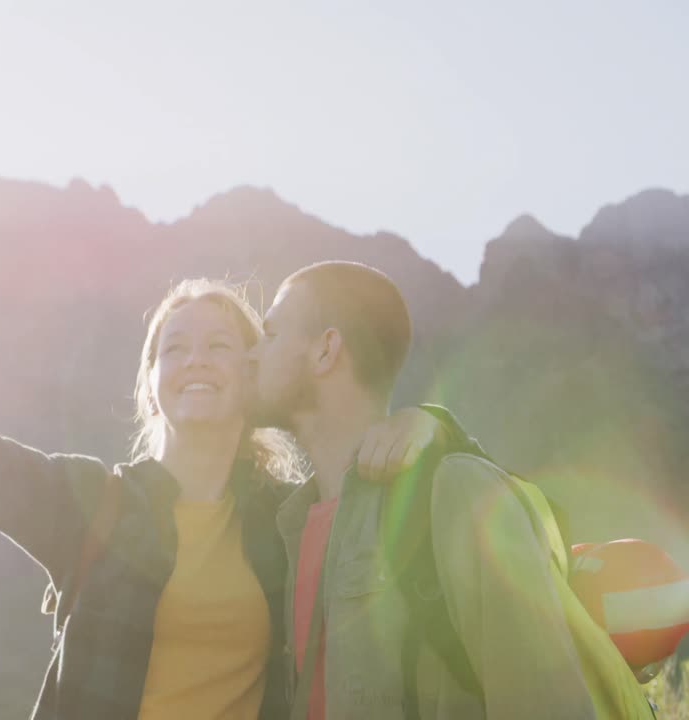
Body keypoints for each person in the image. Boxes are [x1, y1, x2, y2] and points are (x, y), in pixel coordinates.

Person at [0, 122, 470, 720]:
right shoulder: (93, 502)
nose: (195, 361)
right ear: (152, 387)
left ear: (252, 373)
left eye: (219, 346)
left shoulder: (290, 522)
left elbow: (442, 507)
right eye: (175, 348)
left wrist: (430, 425)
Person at [253, 260, 654, 719]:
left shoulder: (454, 492)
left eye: (270, 334)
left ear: (326, 350)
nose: (252, 354)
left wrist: (441, 428)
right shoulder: (289, 524)